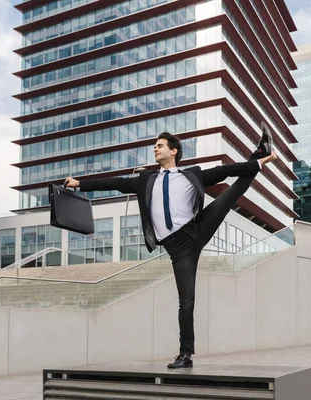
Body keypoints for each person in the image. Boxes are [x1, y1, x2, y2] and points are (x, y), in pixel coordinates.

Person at [64, 122, 277, 369]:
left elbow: (226, 170)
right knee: (186, 301)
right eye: (154, 146)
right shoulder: (146, 180)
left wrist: (258, 163)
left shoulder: (192, 174)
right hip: (179, 250)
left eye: (160, 145)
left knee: (230, 194)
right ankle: (186, 354)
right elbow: (116, 182)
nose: (155, 149)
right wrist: (80, 183)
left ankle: (259, 154)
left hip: (198, 228)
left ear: (174, 151)